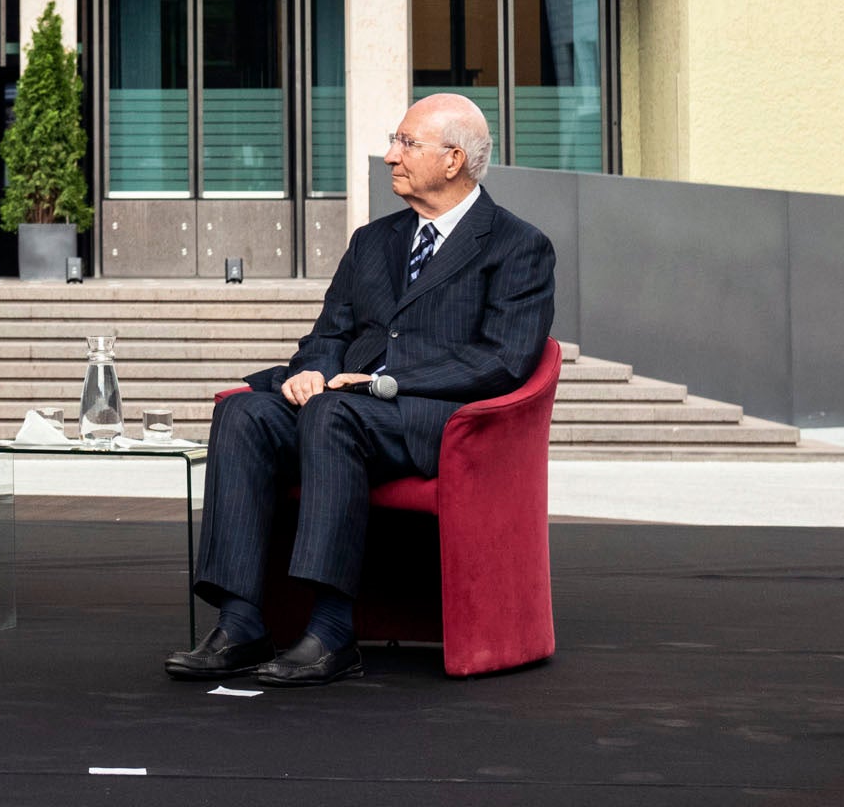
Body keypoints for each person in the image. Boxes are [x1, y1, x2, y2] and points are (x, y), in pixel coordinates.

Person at [168, 92, 555, 689]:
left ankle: (331, 631)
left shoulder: (517, 245)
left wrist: (386, 382)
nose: (388, 155)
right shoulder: (374, 241)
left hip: (431, 420)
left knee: (332, 416)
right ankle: (241, 622)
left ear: (453, 160)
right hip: (344, 402)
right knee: (245, 413)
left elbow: (504, 361)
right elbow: (331, 333)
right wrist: (311, 369)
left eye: (405, 143)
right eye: (393, 141)